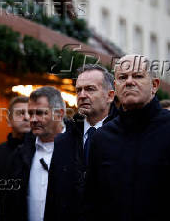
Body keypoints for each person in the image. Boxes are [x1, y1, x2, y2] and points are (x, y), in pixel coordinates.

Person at [85, 55, 170, 221]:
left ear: (154, 85)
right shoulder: (101, 137)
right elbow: (92, 201)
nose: (129, 82)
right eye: (123, 77)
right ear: (115, 87)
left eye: (137, 76)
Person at [44, 64, 117, 221]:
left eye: (90, 89)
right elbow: (53, 199)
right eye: (79, 90)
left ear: (110, 96)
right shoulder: (62, 141)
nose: (82, 95)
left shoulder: (125, 137)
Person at [2, 86, 66, 221]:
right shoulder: (20, 156)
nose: (33, 119)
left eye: (40, 113)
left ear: (59, 114)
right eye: (31, 113)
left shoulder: (79, 150)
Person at [0, 96, 30, 221]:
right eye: (20, 113)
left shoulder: (44, 153)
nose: (27, 117)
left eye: (31, 113)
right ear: (8, 120)